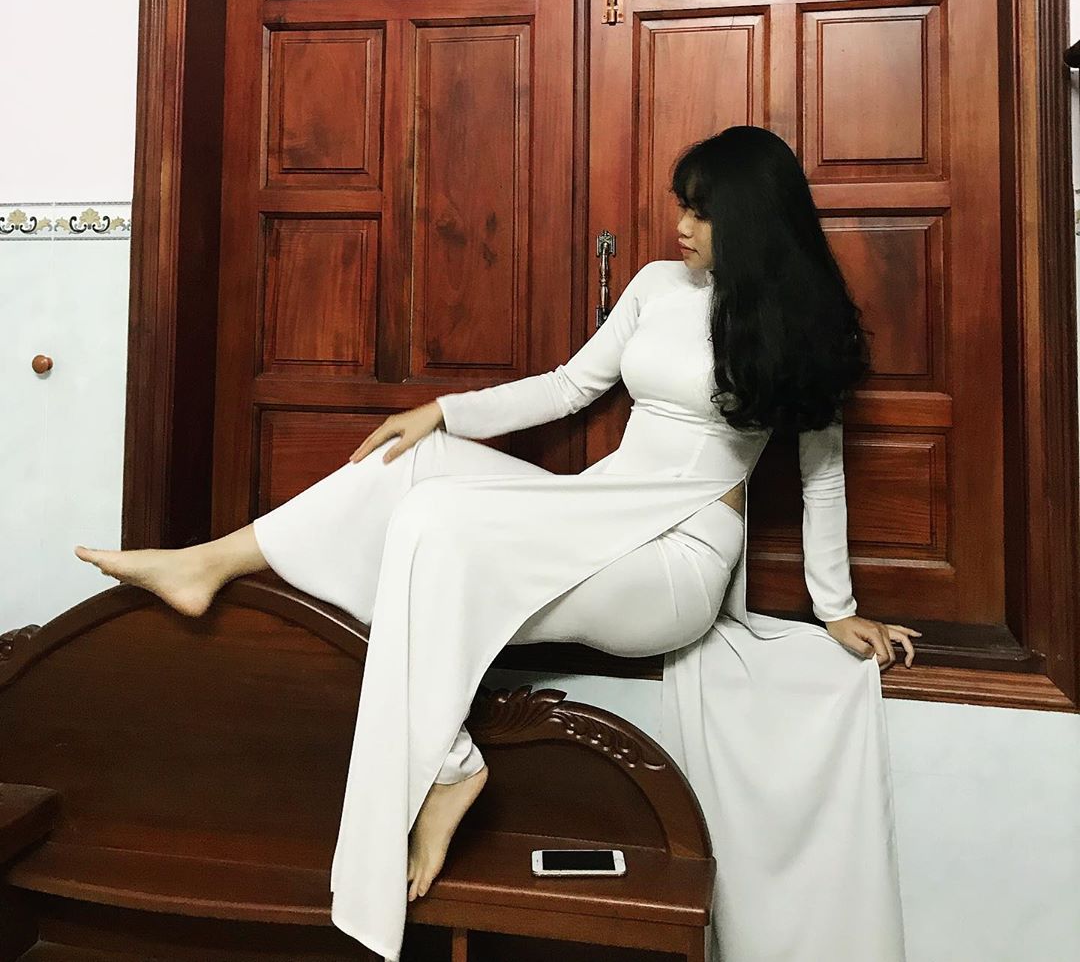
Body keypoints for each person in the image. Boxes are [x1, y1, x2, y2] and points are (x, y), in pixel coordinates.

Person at [75, 125, 918, 962]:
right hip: (597, 507)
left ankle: (448, 769)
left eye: (700, 211)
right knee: (410, 464)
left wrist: (835, 609)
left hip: (675, 559)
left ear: (749, 218)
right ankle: (212, 565)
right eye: (682, 206)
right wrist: (444, 412)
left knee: (438, 523)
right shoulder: (659, 285)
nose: (681, 225)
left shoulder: (798, 326)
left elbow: (822, 476)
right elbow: (571, 385)